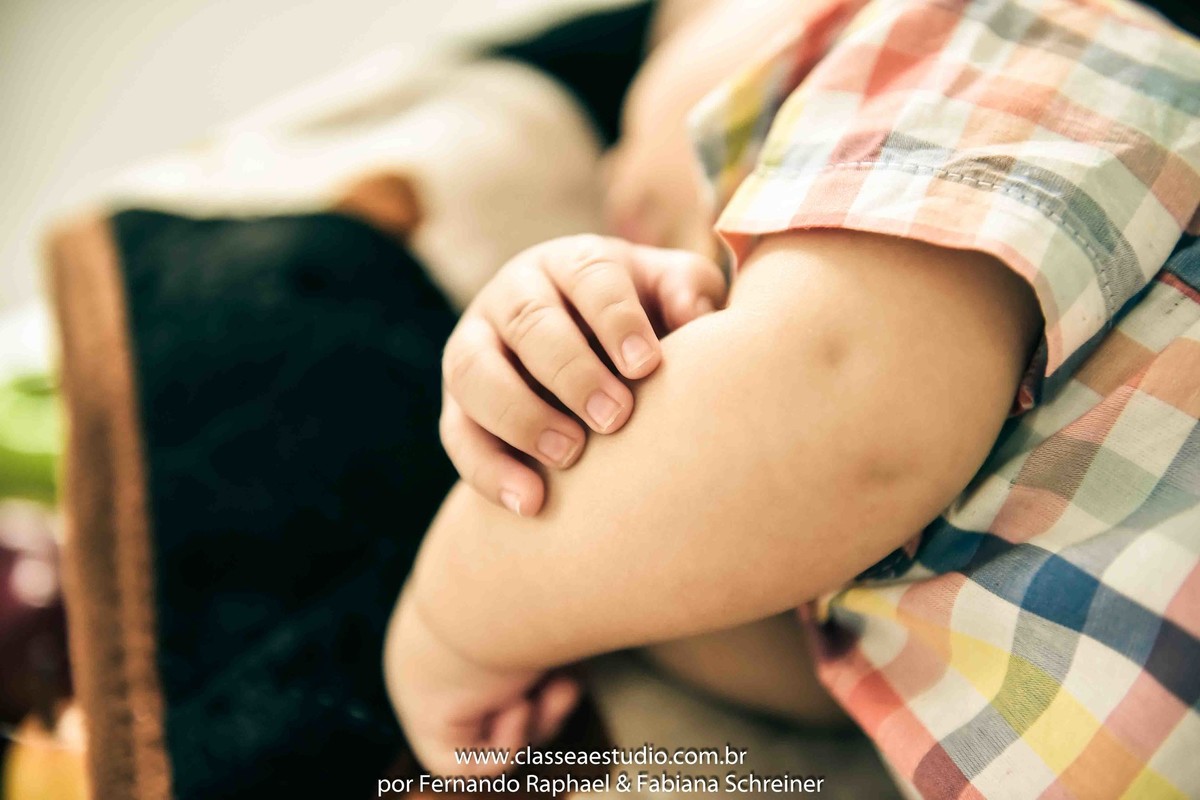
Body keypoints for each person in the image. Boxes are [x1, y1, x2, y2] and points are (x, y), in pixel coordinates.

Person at [385, 0, 1200, 796]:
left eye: (652, 60)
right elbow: (816, 658)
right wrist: (611, 506)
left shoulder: (983, 41)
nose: (610, 172)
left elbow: (844, 405)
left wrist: (454, 613)